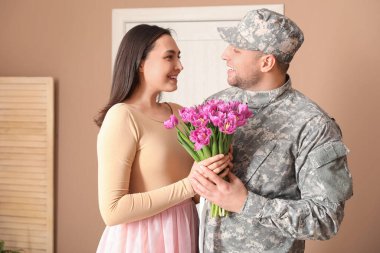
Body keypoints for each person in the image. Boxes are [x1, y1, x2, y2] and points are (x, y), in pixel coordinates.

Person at [189, 8, 353, 253]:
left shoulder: (313, 125)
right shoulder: (215, 106)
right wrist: (197, 177)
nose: (225, 55)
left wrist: (245, 203)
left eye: (237, 49)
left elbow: (326, 219)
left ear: (266, 62)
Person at [94, 24, 231, 253]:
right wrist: (190, 184)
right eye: (169, 57)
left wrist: (215, 170)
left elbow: (194, 197)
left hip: (184, 233)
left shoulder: (180, 114)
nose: (180, 66)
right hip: (140, 242)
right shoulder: (122, 116)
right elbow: (112, 211)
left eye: (179, 57)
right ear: (140, 63)